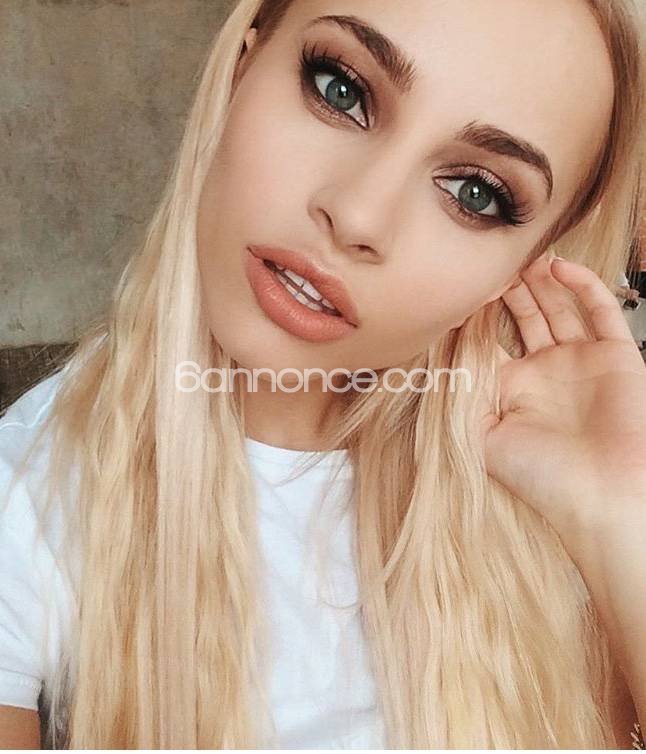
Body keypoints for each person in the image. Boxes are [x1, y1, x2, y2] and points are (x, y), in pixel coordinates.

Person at [1, 0, 645, 748]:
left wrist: (616, 519)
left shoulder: (557, 491)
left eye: (476, 193)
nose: (358, 216)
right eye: (342, 89)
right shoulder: (31, 487)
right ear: (239, 72)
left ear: (519, 268)